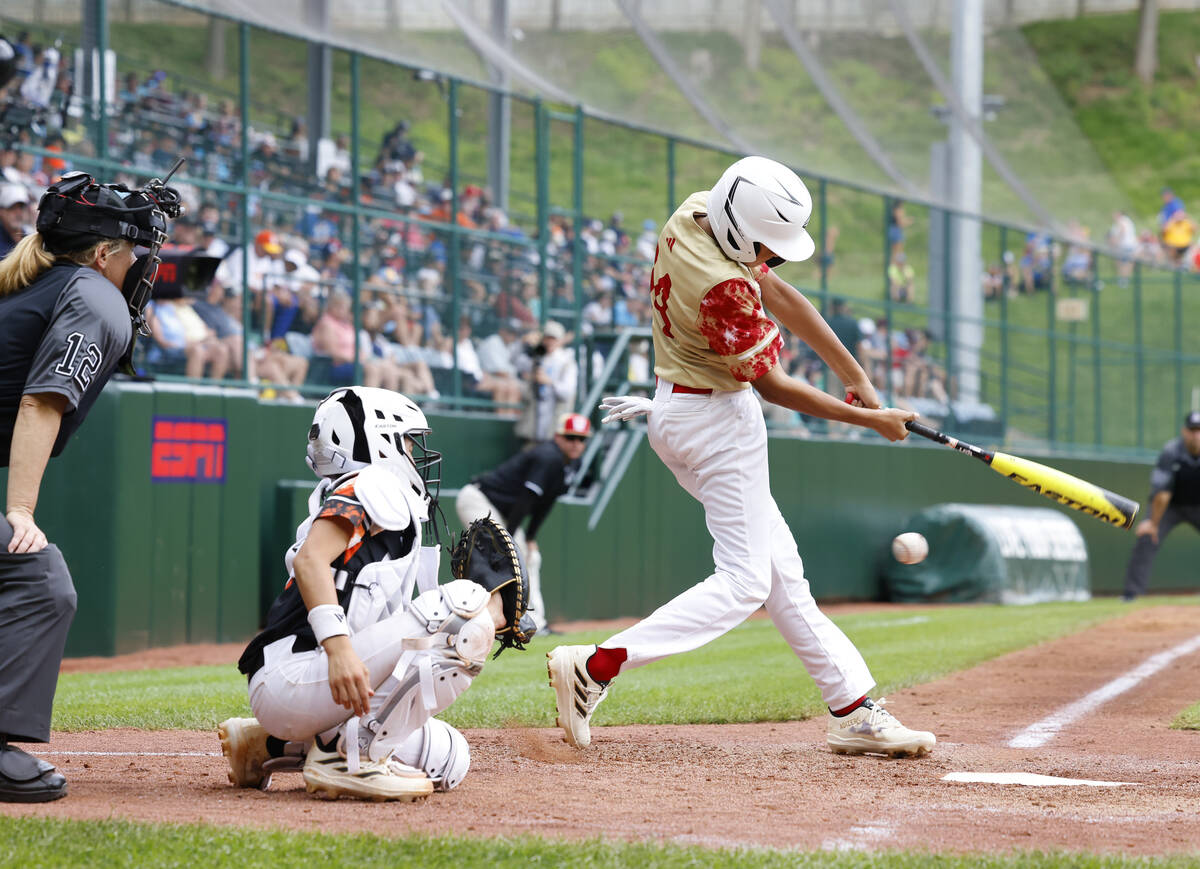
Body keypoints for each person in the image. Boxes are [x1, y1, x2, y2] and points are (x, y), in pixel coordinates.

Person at [547, 156, 934, 758]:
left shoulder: (698, 210)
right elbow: (775, 386)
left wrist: (856, 375)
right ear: (738, 227)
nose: (772, 259)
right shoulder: (722, 287)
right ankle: (597, 665)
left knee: (782, 573)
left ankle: (853, 709)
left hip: (679, 409)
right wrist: (868, 420)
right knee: (748, 579)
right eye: (767, 247)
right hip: (717, 423)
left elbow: (778, 292)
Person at [220, 386, 535, 801]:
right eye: (407, 440)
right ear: (375, 437)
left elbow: (409, 637)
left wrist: (487, 622)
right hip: (302, 670)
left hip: (303, 685)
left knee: (448, 758)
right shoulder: (374, 484)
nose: (414, 452)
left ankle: (269, 745)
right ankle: (350, 758)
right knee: (464, 611)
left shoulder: (375, 494)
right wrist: (339, 650)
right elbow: (310, 561)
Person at [0, 169, 182, 802]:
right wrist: (20, 510)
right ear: (105, 253)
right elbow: (42, 401)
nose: (141, 267)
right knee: (36, 578)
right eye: (135, 252)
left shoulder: (33, 283)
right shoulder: (94, 295)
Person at [455, 412, 591, 634]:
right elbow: (526, 498)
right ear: (558, 436)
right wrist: (510, 536)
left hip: (503, 511)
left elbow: (546, 502)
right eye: (571, 437)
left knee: (529, 558)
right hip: (479, 501)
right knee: (510, 559)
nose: (576, 444)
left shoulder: (572, 464)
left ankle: (533, 622)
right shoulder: (549, 457)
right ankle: (501, 620)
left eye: (582, 439)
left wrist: (529, 537)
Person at [1121, 411, 1200, 601]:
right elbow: (1162, 494)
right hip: (1168, 507)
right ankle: (1131, 595)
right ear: (1184, 432)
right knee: (1147, 536)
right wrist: (1153, 524)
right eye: (1192, 430)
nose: (1196, 435)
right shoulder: (1171, 452)